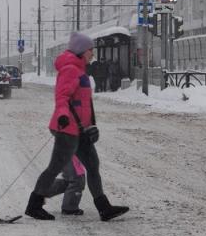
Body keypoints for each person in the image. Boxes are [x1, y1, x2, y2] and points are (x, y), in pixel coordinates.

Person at [25, 32, 129, 222]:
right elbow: (62, 97)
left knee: (93, 166)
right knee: (54, 168)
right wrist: (63, 116)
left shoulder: (80, 70)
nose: (93, 54)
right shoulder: (70, 70)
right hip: (67, 129)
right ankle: (34, 205)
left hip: (81, 130)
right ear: (82, 50)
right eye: (90, 50)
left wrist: (91, 125)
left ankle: (104, 207)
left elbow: (84, 104)